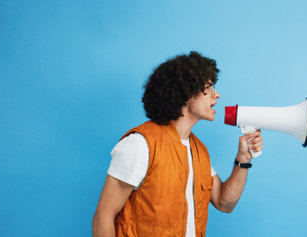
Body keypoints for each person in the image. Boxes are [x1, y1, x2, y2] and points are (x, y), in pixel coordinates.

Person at [92, 51, 263, 237]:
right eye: (210, 88)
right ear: (187, 92)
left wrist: (243, 159)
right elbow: (103, 217)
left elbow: (224, 203)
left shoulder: (199, 151)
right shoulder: (140, 145)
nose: (217, 95)